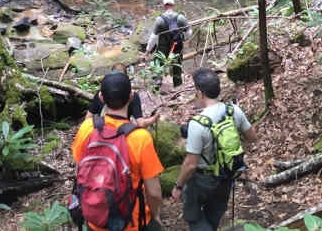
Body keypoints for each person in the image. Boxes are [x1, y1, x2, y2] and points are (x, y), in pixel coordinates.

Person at [72, 71, 165, 231]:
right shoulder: (140, 138)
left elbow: (80, 168)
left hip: (94, 217)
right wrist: (156, 216)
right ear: (131, 97)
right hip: (130, 221)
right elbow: (154, 192)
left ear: (101, 98)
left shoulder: (87, 128)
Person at [171, 68, 257, 231]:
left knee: (194, 217)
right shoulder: (233, 111)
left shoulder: (198, 123)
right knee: (214, 213)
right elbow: (252, 137)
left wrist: (178, 186)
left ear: (200, 93)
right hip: (226, 175)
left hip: (202, 180)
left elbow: (190, 164)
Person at [86, 63, 159, 128]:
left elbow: (88, 119)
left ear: (101, 97)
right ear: (131, 96)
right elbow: (141, 123)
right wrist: (154, 118)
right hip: (123, 131)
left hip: (101, 128)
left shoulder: (102, 93)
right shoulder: (133, 95)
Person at [144, 0, 192, 87]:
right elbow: (189, 32)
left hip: (163, 47)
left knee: (158, 62)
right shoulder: (181, 18)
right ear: (173, 5)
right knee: (177, 65)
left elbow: (153, 38)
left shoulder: (159, 20)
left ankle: (157, 84)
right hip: (177, 46)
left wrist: (147, 51)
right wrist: (184, 38)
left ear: (164, 6)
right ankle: (178, 86)